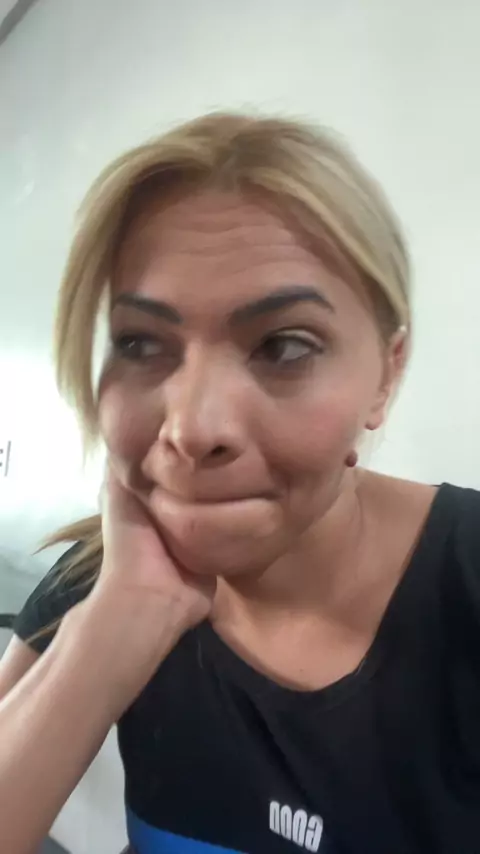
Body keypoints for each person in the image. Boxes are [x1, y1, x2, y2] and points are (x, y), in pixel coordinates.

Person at [0, 112, 479, 854]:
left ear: (386, 375)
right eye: (140, 344)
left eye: (283, 346)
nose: (193, 428)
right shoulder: (104, 575)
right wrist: (112, 632)